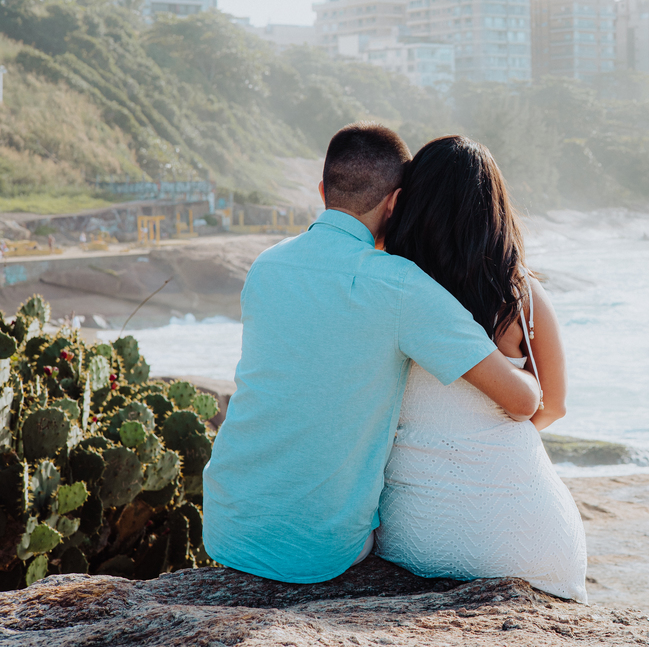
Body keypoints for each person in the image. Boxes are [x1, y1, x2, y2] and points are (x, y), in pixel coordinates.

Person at [202, 123, 542, 583]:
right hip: (319, 551)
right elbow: (522, 402)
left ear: (322, 190)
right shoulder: (399, 286)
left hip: (226, 526)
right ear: (396, 203)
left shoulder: (267, 264)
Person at [374, 135, 588, 603]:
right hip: (531, 530)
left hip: (417, 529)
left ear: (410, 202)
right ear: (494, 208)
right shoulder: (520, 293)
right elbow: (553, 406)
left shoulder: (386, 287)